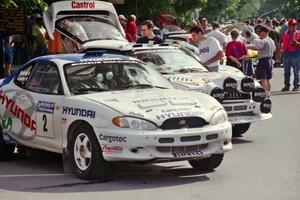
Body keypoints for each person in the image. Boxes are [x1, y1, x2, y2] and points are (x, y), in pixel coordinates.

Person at [248, 25, 276, 97]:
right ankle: (268, 93)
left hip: (263, 60)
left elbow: (258, 47)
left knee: (263, 79)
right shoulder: (271, 40)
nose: (259, 34)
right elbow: (274, 49)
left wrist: (247, 46)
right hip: (270, 59)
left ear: (264, 32)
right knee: (268, 79)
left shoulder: (263, 41)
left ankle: (263, 94)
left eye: (259, 32)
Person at [281, 19, 300, 91]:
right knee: (286, 71)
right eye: (292, 25)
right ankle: (286, 85)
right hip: (286, 54)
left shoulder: (298, 33)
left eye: (294, 25)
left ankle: (296, 85)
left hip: (295, 54)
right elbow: (283, 42)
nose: (293, 26)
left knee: (296, 71)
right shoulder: (286, 33)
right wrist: (282, 51)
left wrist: (296, 43)